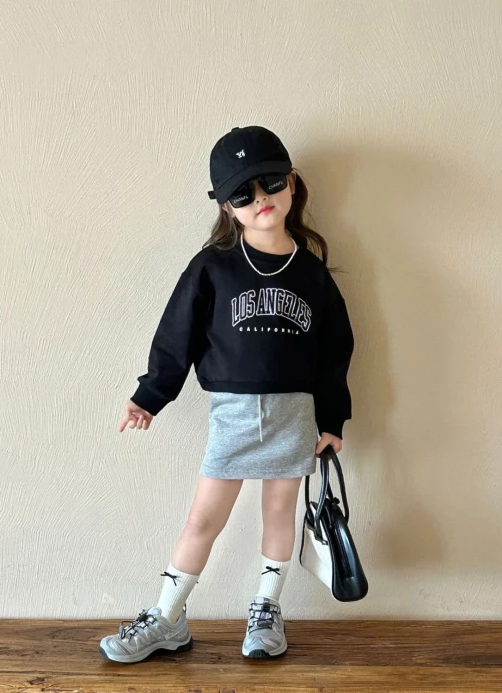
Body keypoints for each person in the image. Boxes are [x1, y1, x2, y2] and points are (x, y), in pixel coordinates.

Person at [99, 125, 354, 663]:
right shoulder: (211, 267)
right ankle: (168, 616)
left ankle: (266, 609)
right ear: (226, 206)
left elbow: (335, 352)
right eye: (243, 193)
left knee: (280, 516)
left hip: (294, 415)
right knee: (202, 520)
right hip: (232, 415)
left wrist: (332, 420)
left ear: (292, 184)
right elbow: (177, 335)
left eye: (271, 182)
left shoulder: (312, 275)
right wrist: (150, 395)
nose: (260, 198)